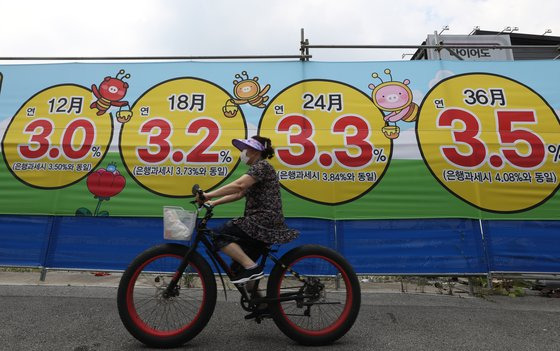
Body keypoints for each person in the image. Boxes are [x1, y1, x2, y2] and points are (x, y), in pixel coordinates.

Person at [196, 135, 299, 285]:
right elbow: (239, 193)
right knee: (238, 268)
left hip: (263, 220)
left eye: (246, 149)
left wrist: (207, 195)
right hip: (263, 221)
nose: (243, 153)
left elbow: (239, 186)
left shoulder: (261, 166)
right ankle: (260, 302)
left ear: (255, 151)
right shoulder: (257, 169)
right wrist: (214, 203)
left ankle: (251, 267)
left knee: (219, 234)